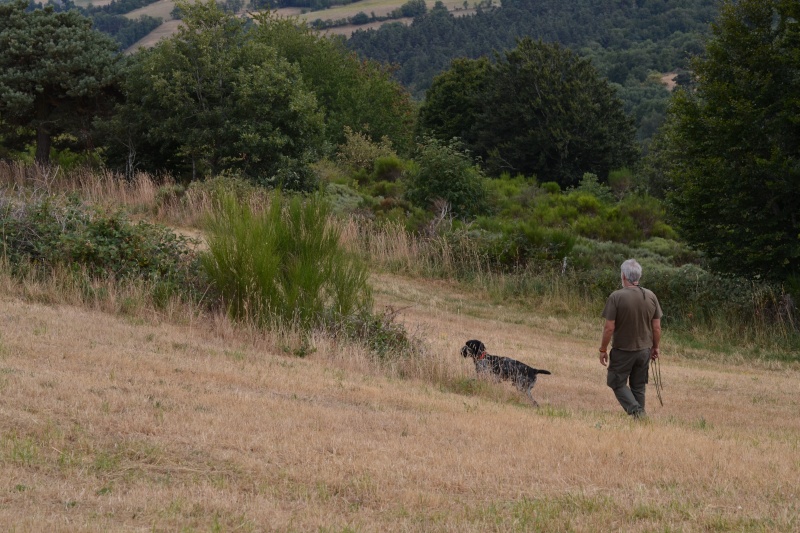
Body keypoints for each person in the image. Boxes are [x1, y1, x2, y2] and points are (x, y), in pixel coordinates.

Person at [598, 259, 662, 419]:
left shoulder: (616, 297)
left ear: (624, 276)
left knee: (616, 382)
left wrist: (603, 349)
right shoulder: (651, 296)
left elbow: (609, 328)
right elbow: (656, 327)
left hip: (623, 351)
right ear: (638, 276)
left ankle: (637, 412)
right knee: (638, 386)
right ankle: (640, 421)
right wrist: (655, 347)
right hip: (644, 351)